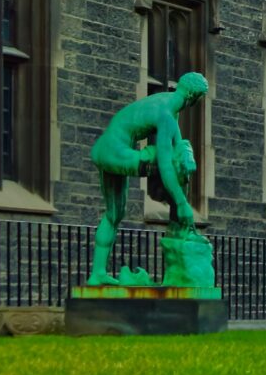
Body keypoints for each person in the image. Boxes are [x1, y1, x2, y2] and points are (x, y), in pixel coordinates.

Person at [89, 73, 208, 284]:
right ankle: (177, 221)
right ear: (193, 95)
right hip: (117, 153)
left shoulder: (165, 101)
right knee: (170, 162)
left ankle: (97, 274)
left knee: (114, 215)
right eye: (199, 98)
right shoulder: (166, 115)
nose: (198, 102)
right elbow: (166, 163)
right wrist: (182, 203)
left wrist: (182, 153)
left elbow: (177, 143)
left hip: (105, 149)